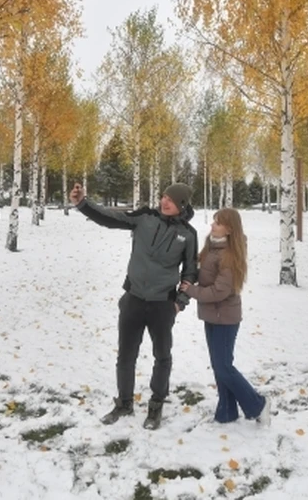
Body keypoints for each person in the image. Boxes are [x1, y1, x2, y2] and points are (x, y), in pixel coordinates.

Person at [69, 181, 198, 430]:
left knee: (162, 357)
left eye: (171, 199)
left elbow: (190, 272)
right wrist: (82, 204)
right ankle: (124, 403)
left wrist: (180, 302)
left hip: (163, 305)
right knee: (126, 356)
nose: (164, 201)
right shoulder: (144, 218)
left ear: (182, 204)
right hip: (133, 300)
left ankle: (156, 406)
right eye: (163, 197)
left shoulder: (188, 234)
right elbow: (109, 218)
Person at [180, 207, 271, 426]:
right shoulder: (212, 247)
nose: (212, 225)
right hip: (212, 315)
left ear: (229, 229)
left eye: (218, 222)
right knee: (219, 364)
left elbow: (220, 291)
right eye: (213, 221)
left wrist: (191, 290)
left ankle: (258, 404)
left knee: (224, 367)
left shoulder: (230, 255)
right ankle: (227, 411)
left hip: (225, 317)